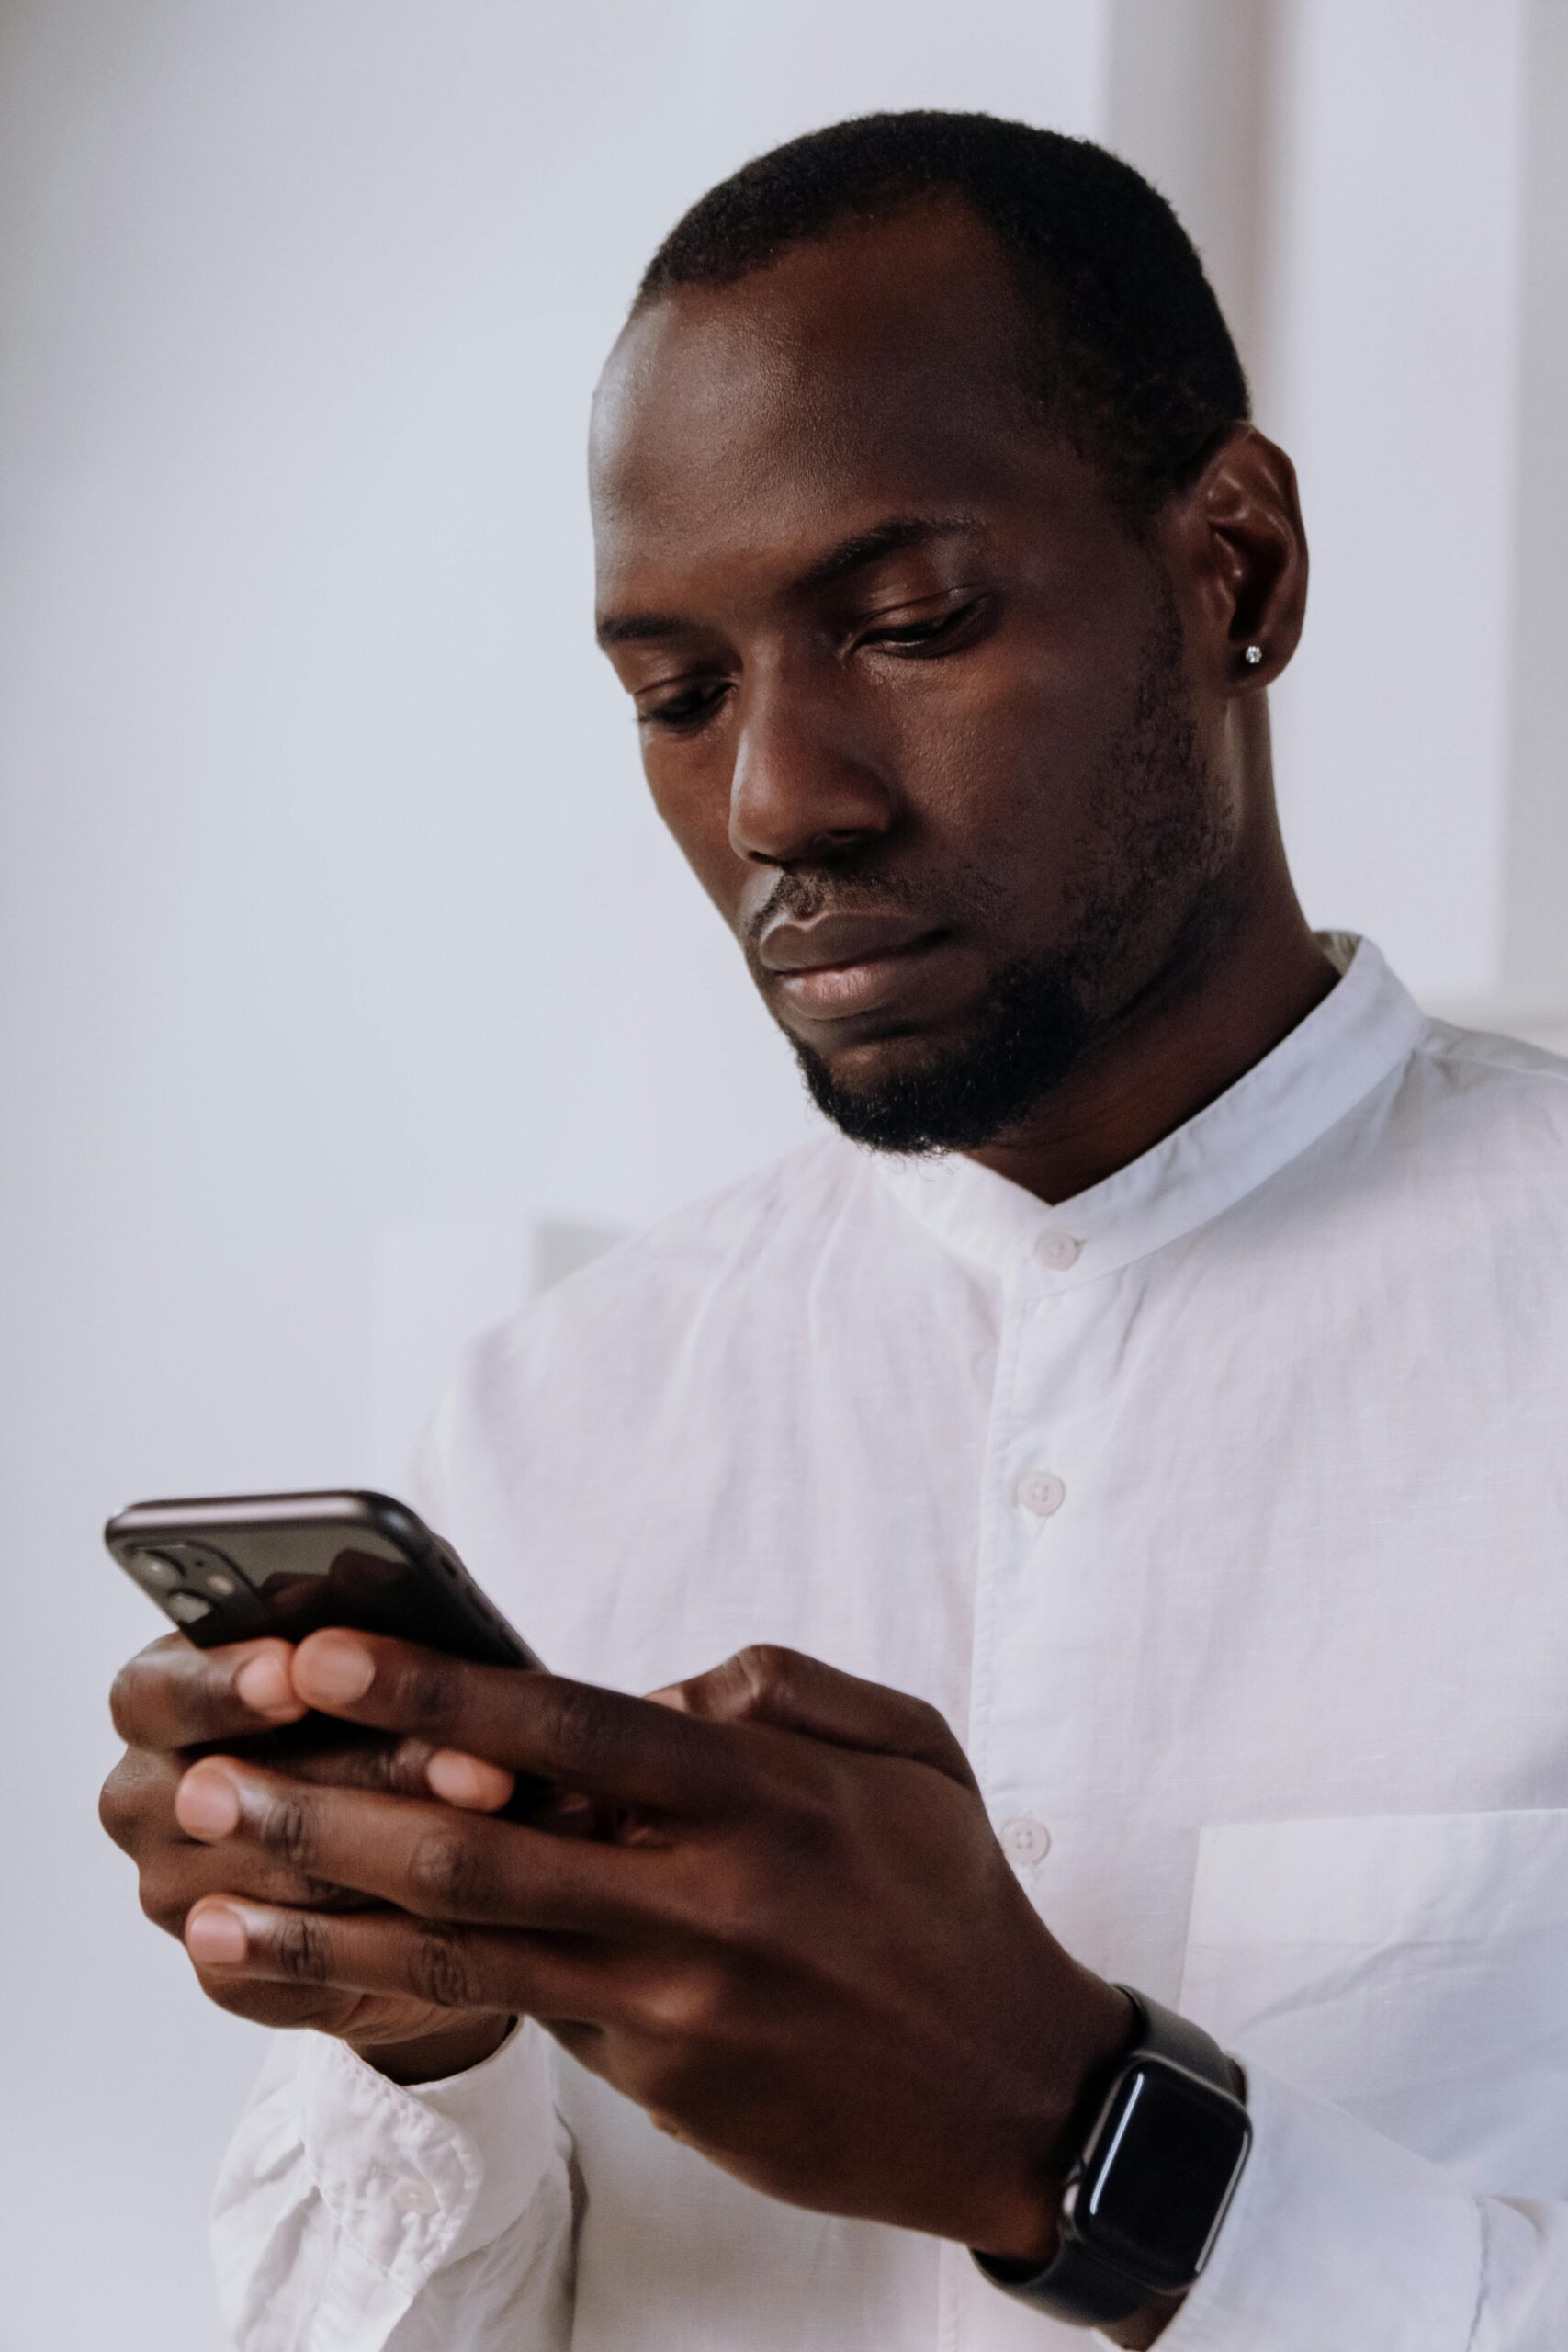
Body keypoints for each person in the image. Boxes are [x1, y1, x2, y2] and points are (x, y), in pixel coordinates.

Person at [99, 112, 1568, 2350]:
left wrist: (1068, 2133)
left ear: (1235, 573)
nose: (779, 797)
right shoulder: (550, 1412)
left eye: (903, 623)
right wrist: (428, 2034)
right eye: (677, 699)